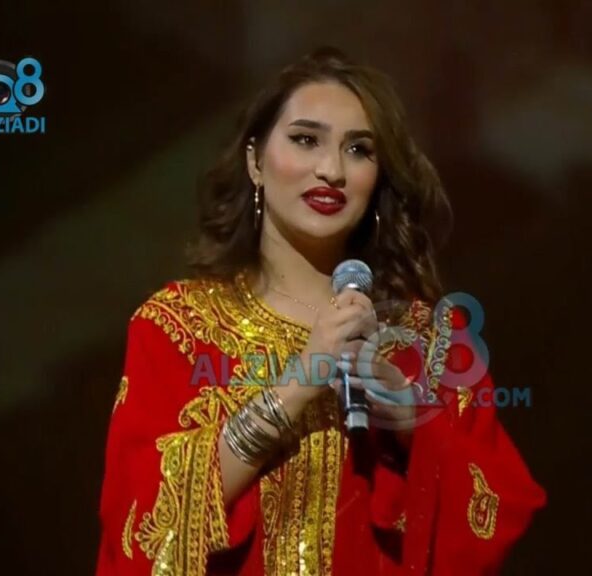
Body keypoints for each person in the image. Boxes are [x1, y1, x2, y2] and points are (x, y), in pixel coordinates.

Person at [95, 47, 546, 576]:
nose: (331, 170)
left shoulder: (430, 339)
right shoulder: (177, 327)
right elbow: (142, 522)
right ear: (255, 161)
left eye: (358, 150)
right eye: (305, 140)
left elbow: (497, 511)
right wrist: (300, 382)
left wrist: (412, 423)